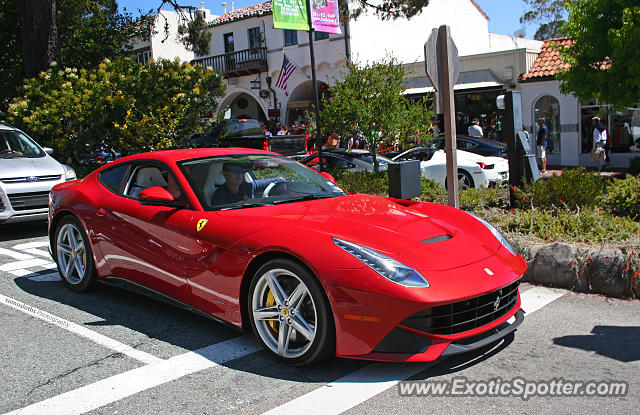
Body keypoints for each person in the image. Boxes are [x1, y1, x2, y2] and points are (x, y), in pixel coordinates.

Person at [211, 162, 285, 205]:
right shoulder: (219, 196)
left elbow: (279, 180)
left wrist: (285, 184)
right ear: (225, 174)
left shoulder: (248, 186)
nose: (239, 174)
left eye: (241, 171)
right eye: (235, 172)